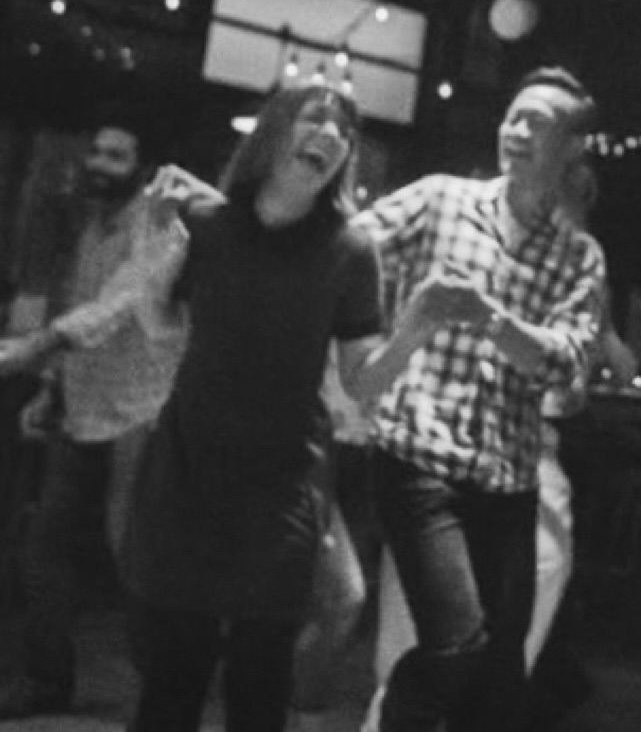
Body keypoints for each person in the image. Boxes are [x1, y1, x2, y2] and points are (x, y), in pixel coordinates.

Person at [115, 84, 456, 732]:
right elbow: (160, 330)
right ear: (274, 131)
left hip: (282, 483)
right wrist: (152, 248)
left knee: (260, 677)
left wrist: (416, 327)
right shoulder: (207, 225)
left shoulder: (351, 249)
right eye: (315, 118)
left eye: (343, 131)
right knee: (173, 675)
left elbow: (361, 382)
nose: (331, 135)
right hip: (191, 467)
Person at [354, 66, 607, 732]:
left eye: (538, 123)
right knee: (457, 642)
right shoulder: (441, 200)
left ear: (572, 147)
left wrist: (490, 319)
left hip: (509, 478)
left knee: (497, 685)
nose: (516, 131)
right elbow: (349, 248)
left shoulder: (578, 256)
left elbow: (566, 362)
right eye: (512, 116)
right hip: (419, 460)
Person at [0, 115, 180, 720]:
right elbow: (82, 302)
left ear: (142, 167)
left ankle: (163, 694)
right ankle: (46, 681)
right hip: (81, 413)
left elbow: (118, 307)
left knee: (134, 560)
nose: (99, 164)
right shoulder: (91, 225)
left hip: (140, 416)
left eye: (115, 155)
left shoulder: (159, 226)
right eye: (96, 152)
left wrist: (34, 347)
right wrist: (50, 388)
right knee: (42, 549)